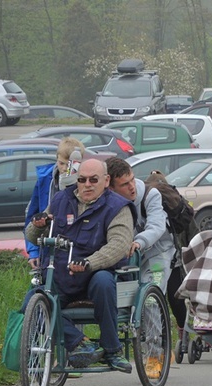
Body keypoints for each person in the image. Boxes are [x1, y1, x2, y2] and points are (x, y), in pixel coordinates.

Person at [24, 159, 136, 373]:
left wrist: (89, 263)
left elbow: (118, 246)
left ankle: (113, 350)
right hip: (62, 275)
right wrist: (38, 225)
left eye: (93, 180)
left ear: (106, 180)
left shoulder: (118, 207)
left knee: (103, 281)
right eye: (82, 180)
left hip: (97, 275)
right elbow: (32, 234)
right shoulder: (60, 200)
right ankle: (81, 342)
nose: (87, 184)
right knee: (33, 299)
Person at [106, 158, 175, 293]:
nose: (132, 186)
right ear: (111, 188)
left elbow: (156, 226)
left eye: (132, 179)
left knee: (151, 298)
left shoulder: (150, 195)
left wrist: (139, 242)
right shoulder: (107, 201)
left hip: (158, 254)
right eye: (125, 184)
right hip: (131, 258)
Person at [24, 137, 86, 268]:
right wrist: (34, 252)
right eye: (61, 163)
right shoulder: (45, 180)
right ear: (56, 159)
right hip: (47, 247)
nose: (65, 169)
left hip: (74, 248)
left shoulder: (85, 183)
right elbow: (31, 216)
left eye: (70, 165)